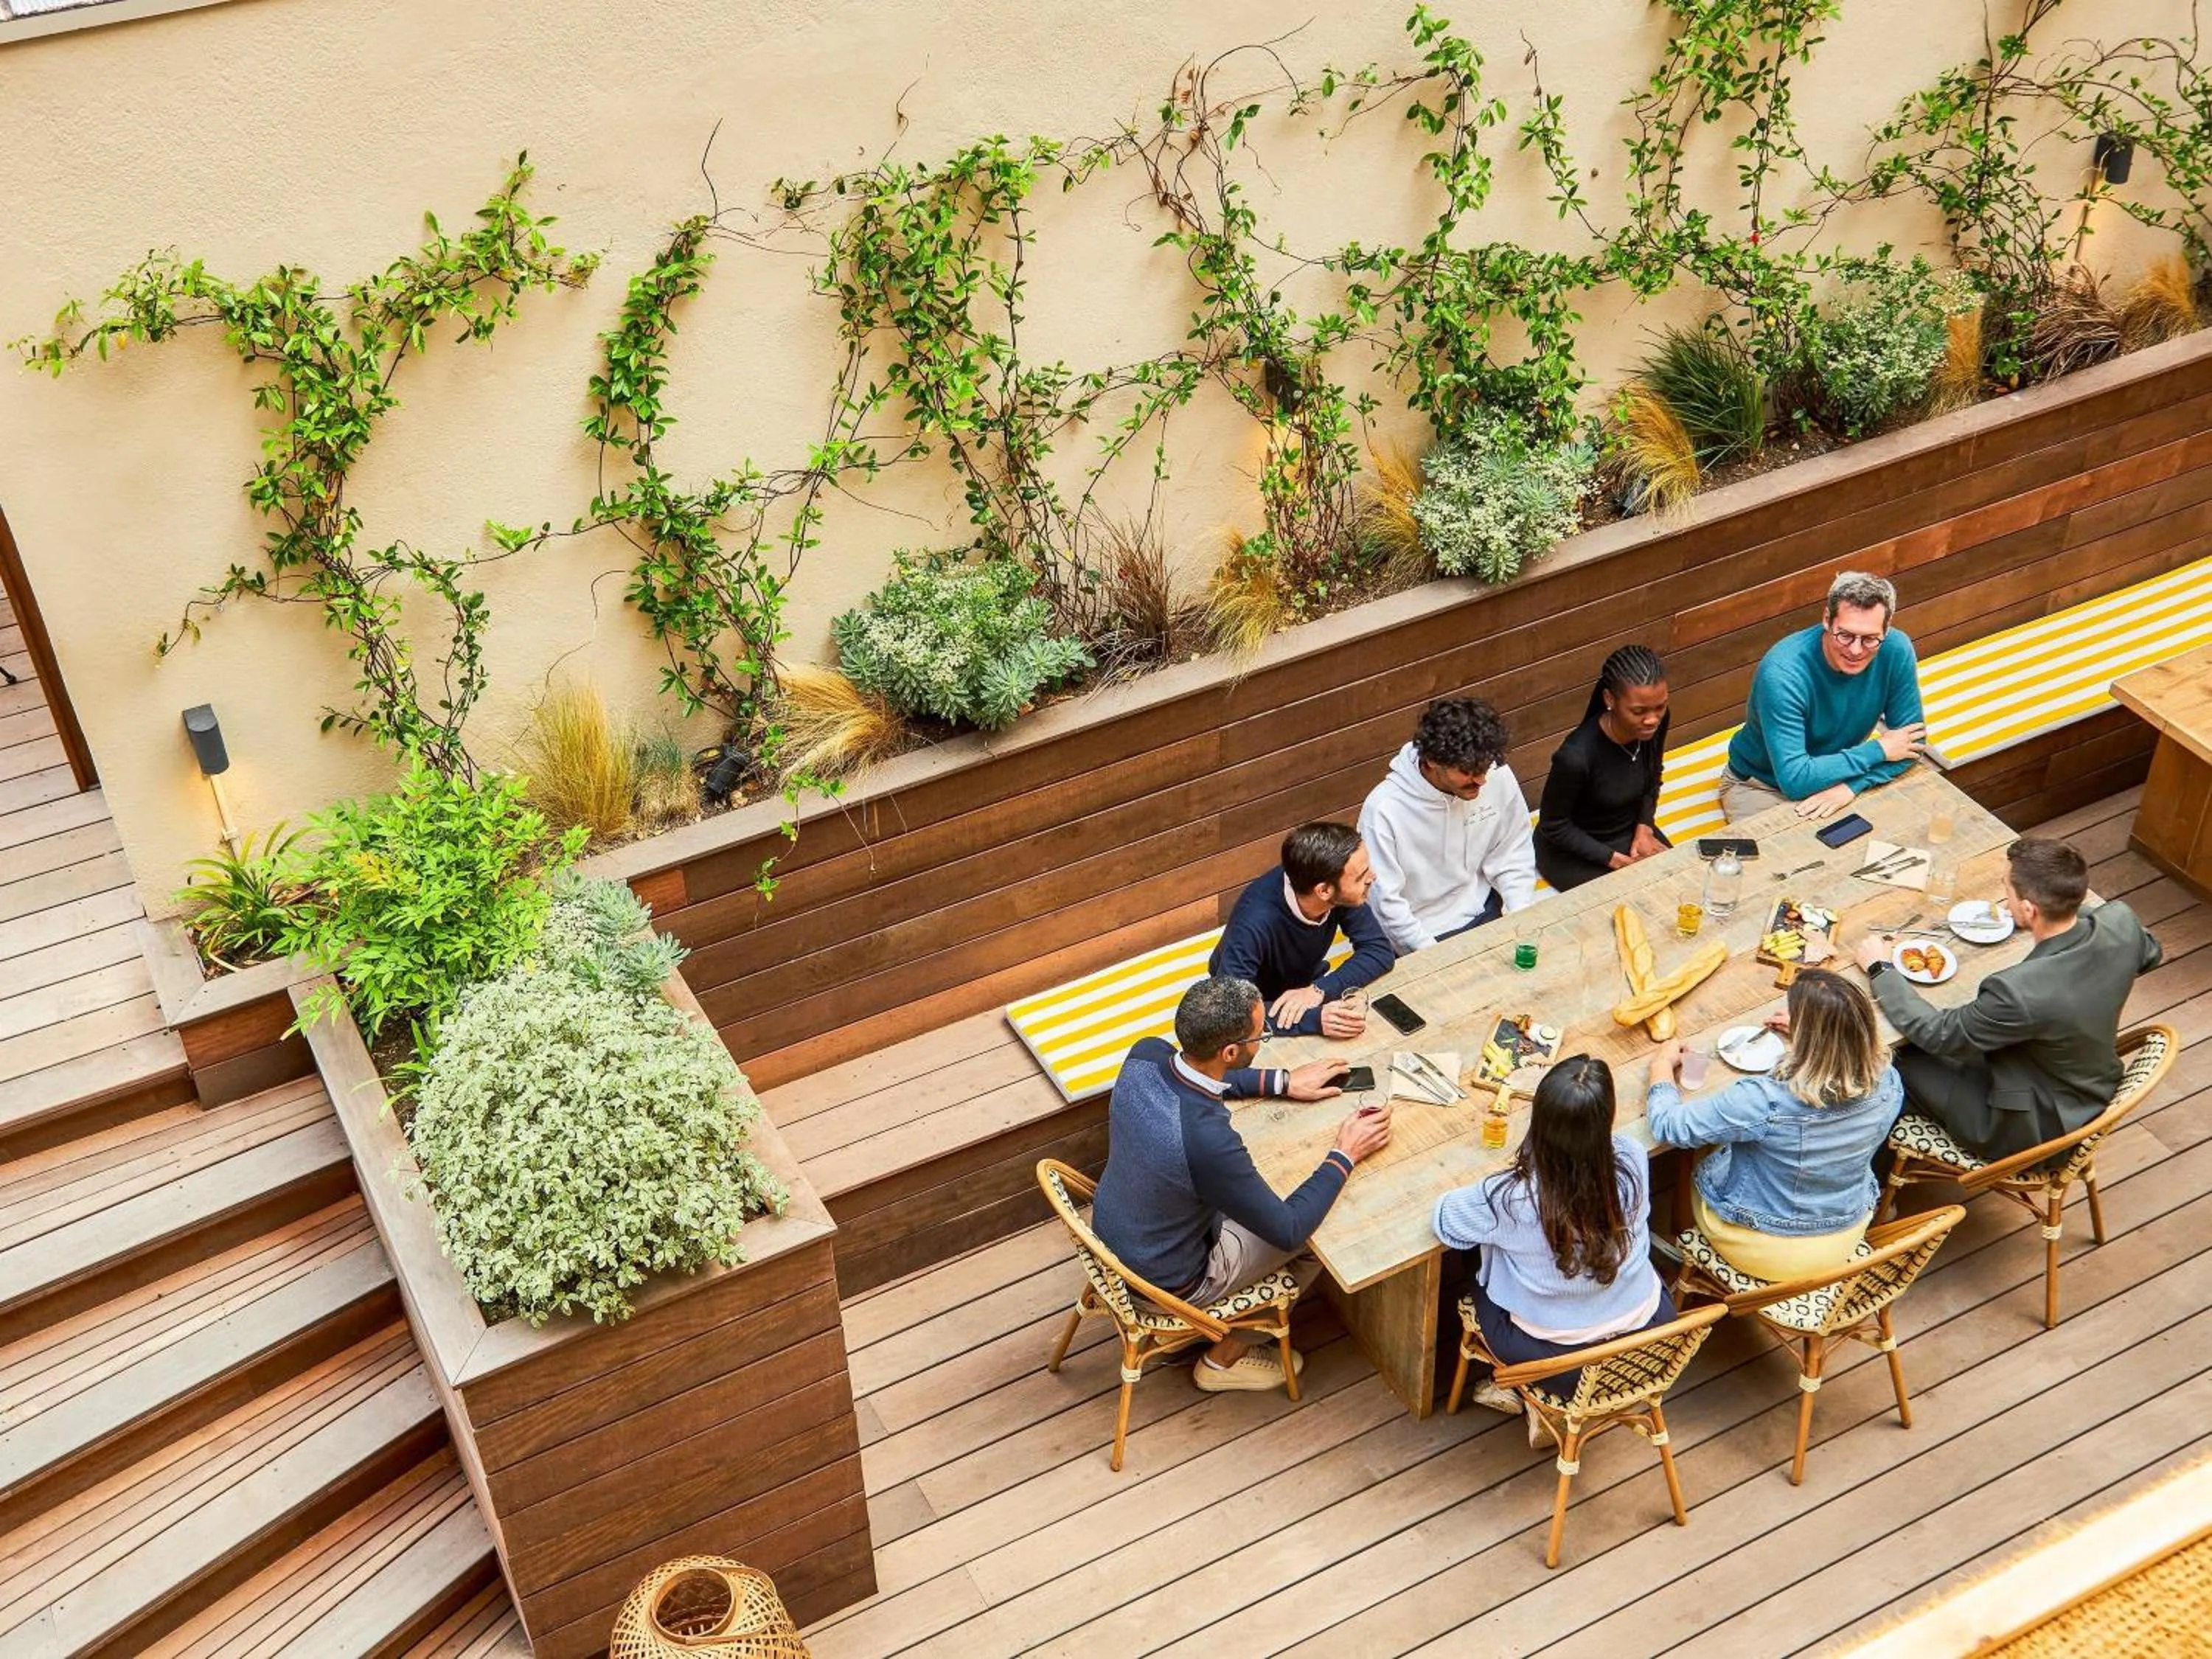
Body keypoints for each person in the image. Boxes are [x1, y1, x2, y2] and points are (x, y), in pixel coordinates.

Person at [1091, 975, 1393, 1392]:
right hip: (1170, 1281)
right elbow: (1288, 1229)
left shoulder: (1145, 1056)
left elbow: (1205, 1078)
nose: (1261, 1041)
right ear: (1231, 1051)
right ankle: (1224, 1359)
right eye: (1260, 1036)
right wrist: (1345, 1152)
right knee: (1320, 1234)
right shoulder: (1205, 1141)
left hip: (1114, 1240)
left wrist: (1283, 1081)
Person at [1854, 837, 2162, 1161]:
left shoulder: (2017, 993)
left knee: (1882, 1059)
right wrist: (2062, 913)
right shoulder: (2121, 923)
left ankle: (1875, 1178)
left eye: (2007, 891)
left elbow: (1938, 1033)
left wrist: (1881, 968)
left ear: (2029, 909)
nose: (2004, 901)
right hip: (2086, 1087)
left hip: (2030, 1126)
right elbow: (2150, 955)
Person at [1433, 1056, 1675, 1416]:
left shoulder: (1510, 1198)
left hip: (1560, 1366)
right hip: (1650, 1338)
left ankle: (1535, 1401)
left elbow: (1445, 1221)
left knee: (1473, 1251)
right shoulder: (1633, 1158)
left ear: (1540, 1121)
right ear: (1606, 1116)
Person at [1646, 968, 1903, 1281]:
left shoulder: (1764, 1100)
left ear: (1811, 1037)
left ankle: (1680, 1239)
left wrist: (1661, 1069)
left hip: (1766, 1245)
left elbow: (1668, 1126)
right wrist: (1810, 1034)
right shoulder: (1889, 1081)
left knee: (1702, 1148)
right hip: (1846, 1227)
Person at [1722, 571, 1927, 824]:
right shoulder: (1783, 673)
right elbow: (1795, 780)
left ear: (1887, 627)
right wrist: (1879, 750)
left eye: (1870, 639)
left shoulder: (1896, 649)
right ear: (1827, 620)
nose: (1855, 650)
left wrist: (1851, 787)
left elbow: (1913, 745)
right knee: (1797, 859)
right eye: (1846, 635)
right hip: (1763, 785)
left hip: (1842, 778)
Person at [1358, 698, 1538, 955]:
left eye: (1485, 768)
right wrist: (1433, 955)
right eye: (1468, 772)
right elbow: (1386, 905)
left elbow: (1513, 850)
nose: (1481, 780)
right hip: (1423, 935)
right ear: (1431, 760)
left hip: (1485, 907)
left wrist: (1521, 916)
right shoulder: (1383, 810)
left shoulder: (1496, 774)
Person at [1210, 822, 1396, 1037]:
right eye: (1361, 876)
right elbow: (1233, 1011)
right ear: (1324, 890)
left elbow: (1379, 951)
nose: (1373, 877)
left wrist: (1319, 990)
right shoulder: (1253, 923)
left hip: (1304, 983)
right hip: (1254, 1002)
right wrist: (1315, 1019)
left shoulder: (1332, 886)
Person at [1536, 645, 1672, 891]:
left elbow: (1653, 776)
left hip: (1629, 829)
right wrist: (1616, 861)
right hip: (1574, 849)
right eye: (1638, 711)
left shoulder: (1653, 726)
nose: (1652, 719)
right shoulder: (1576, 756)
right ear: (1610, 699)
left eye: (1660, 707)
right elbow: (1554, 826)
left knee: (1675, 884)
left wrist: (1644, 827)